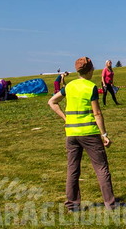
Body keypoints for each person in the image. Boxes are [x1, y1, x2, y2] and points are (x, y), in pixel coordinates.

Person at [48, 57, 116, 211]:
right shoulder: (90, 87)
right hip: (90, 133)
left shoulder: (69, 86)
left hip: (71, 133)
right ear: (90, 70)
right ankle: (110, 204)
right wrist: (104, 134)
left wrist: (66, 118)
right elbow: (97, 113)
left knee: (73, 169)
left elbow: (52, 102)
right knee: (101, 169)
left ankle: (72, 204)